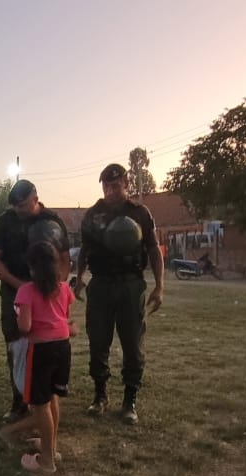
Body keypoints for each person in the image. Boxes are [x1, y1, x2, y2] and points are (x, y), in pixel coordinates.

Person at [73, 164, 163, 425]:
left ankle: (129, 400)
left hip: (130, 284)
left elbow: (154, 250)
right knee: (97, 342)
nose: (111, 190)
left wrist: (159, 285)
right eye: (106, 186)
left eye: (115, 185)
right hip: (100, 284)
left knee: (132, 344)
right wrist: (79, 278)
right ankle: (100, 395)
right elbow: (85, 251)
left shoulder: (140, 213)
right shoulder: (93, 215)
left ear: (126, 184)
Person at [0, 180, 71, 423]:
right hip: (16, 290)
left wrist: (57, 289)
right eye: (15, 206)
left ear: (35, 198)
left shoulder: (52, 220)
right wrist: (20, 285)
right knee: (17, 347)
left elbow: (65, 259)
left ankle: (45, 400)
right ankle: (19, 402)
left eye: (22, 205)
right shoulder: (5, 221)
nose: (18, 210)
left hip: (48, 294)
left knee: (47, 346)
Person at [0, 241, 76, 473]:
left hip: (41, 351)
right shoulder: (63, 288)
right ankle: (51, 445)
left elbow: (25, 327)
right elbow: (65, 318)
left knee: (40, 405)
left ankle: (47, 462)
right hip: (63, 347)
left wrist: (20, 315)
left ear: (31, 267)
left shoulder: (26, 291)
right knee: (53, 399)